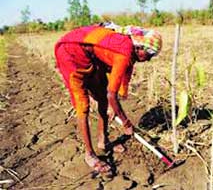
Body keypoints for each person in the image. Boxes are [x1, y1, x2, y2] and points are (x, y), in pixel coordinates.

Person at [54, 22, 162, 174]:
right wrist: (125, 123)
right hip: (69, 52)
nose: (149, 59)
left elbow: (122, 77)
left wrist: (116, 100)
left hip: (90, 55)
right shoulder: (124, 52)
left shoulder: (130, 51)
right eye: (149, 54)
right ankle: (89, 154)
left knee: (103, 97)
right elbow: (112, 94)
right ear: (139, 47)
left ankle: (103, 141)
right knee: (82, 104)